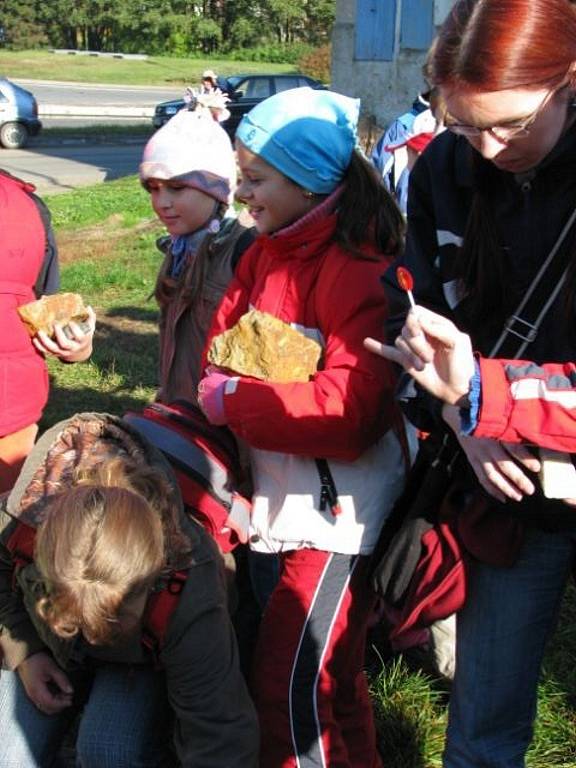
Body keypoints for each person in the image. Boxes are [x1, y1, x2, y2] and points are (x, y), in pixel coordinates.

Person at [381, 1, 576, 764]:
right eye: (465, 125)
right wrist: (468, 424)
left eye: (513, 125)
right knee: (484, 721)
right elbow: (416, 311)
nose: (490, 149)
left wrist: (487, 402)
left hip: (513, 431)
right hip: (507, 481)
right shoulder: (442, 169)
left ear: (568, 83)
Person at [197, 86, 414, 768]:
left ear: (309, 180)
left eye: (256, 179)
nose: (242, 194)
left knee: (289, 687)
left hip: (338, 517)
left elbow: (350, 411)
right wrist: (233, 385)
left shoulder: (358, 269)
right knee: (335, 681)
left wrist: (233, 401)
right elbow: (221, 344)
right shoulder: (265, 251)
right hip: (283, 498)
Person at [0, 412, 259, 768]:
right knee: (6, 756)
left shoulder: (190, 593)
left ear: (154, 575)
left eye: (113, 616)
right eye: (69, 613)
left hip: (145, 659)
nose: (93, 633)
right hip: (47, 648)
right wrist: (26, 652)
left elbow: (219, 732)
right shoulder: (20, 520)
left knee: (109, 751)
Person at [140, 101, 254, 410]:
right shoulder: (178, 248)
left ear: (217, 191)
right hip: (181, 412)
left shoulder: (243, 249)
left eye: (176, 187)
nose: (161, 202)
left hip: (223, 425)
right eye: (153, 188)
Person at [367, 305, 576, 456]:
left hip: (550, 496)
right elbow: (409, 308)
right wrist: (448, 406)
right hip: (465, 473)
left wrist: (480, 392)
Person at [0, 170, 95, 495]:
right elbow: (43, 299)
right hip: (13, 401)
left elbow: (42, 310)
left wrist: (76, 347)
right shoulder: (27, 205)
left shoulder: (28, 205)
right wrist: (78, 347)